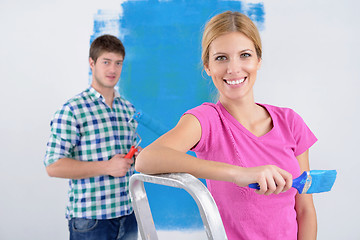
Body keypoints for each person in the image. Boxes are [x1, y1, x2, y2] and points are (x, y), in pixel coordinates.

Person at [135, 11, 317, 240]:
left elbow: (305, 210)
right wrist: (238, 174)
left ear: (258, 60)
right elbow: (147, 159)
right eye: (221, 58)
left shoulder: (290, 122)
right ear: (208, 66)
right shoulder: (207, 120)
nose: (233, 69)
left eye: (245, 55)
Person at [44, 34, 139, 240]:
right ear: (92, 63)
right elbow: (53, 166)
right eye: (106, 62)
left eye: (118, 63)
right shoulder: (72, 110)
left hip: (128, 215)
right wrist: (106, 167)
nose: (113, 69)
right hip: (91, 220)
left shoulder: (127, 109)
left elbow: (125, 160)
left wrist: (135, 158)